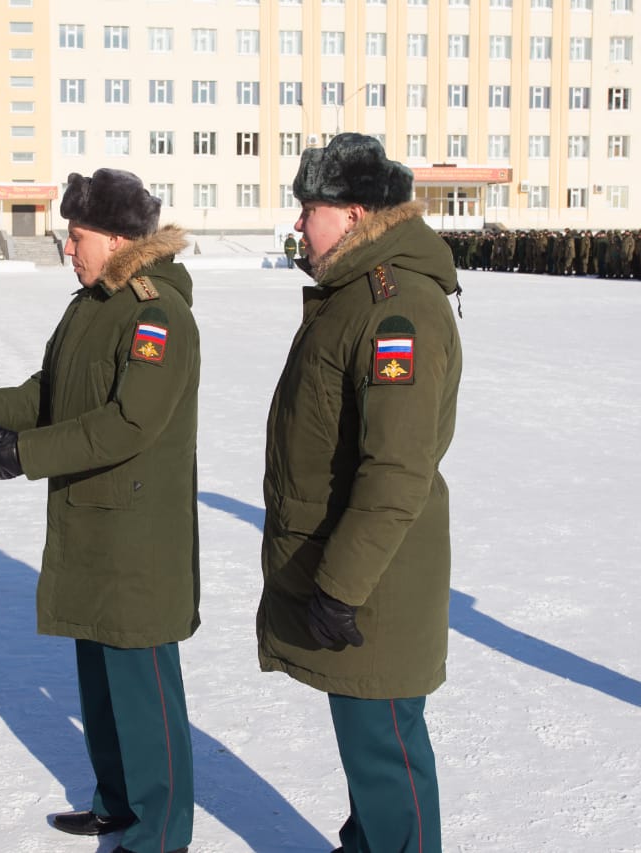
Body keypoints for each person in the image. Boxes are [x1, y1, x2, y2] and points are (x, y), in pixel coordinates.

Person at [0, 168, 199, 853]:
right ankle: (118, 801)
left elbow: (131, 421)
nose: (67, 247)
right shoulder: (92, 303)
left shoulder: (156, 312)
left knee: (143, 691)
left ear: (120, 237)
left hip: (135, 536)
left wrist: (26, 453)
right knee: (100, 681)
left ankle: (159, 832)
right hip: (90, 520)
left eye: (77, 236)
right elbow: (52, 390)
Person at [258, 133, 462, 853]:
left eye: (308, 208)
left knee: (385, 750)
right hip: (358, 566)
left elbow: (395, 467)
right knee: (368, 747)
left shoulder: (394, 308)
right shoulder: (356, 295)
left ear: (349, 214)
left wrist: (340, 585)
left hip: (375, 577)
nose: (298, 225)